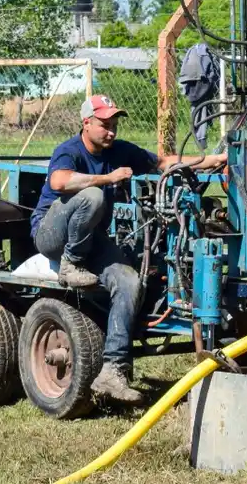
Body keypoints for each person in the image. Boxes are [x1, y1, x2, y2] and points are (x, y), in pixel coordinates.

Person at [31, 94, 227, 404]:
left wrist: (212, 160)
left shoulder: (120, 151)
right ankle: (71, 264)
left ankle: (113, 371)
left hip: (93, 238)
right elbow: (59, 182)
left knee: (129, 281)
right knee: (93, 195)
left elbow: (162, 163)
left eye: (114, 125)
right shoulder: (69, 151)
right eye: (104, 125)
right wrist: (107, 178)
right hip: (52, 235)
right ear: (86, 123)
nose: (111, 131)